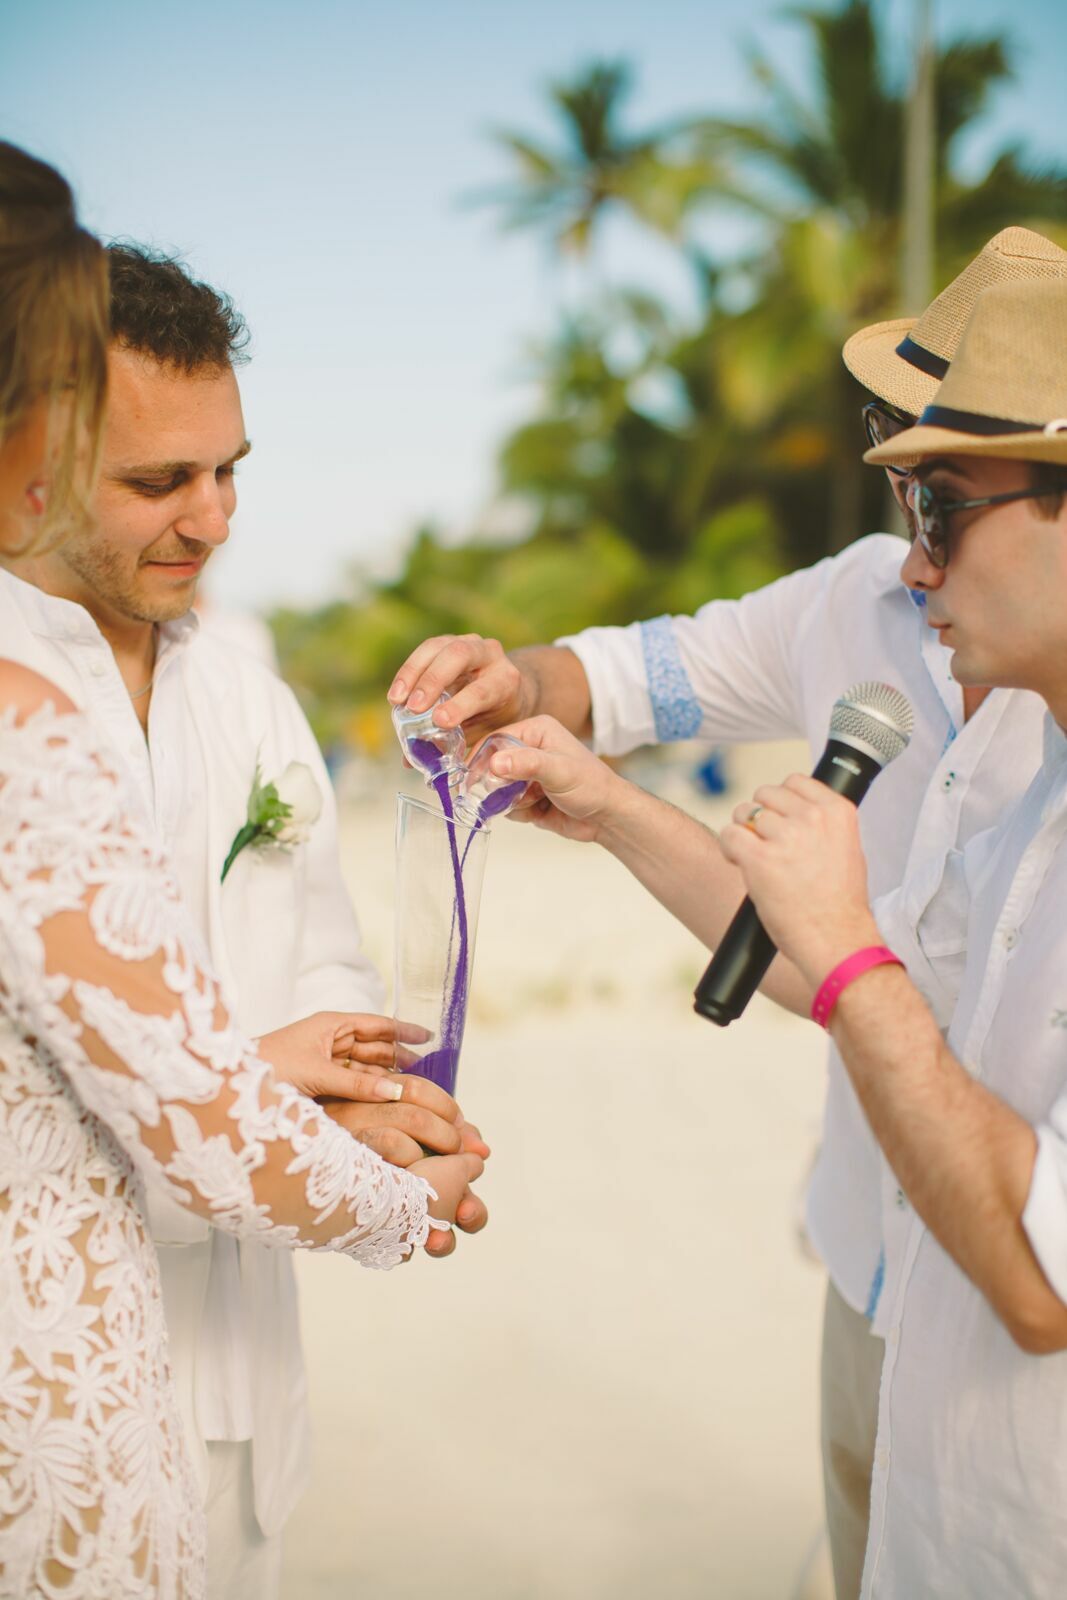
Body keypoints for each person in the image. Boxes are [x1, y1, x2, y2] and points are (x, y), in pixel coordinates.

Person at [387, 226, 1067, 1597]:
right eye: (904, 490)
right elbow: (623, 683)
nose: (915, 559)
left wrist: (847, 945)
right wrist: (572, 759)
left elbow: (1034, 1267)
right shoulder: (901, 656)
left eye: (942, 500)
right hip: (884, 1272)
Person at [0, 142, 483, 1600]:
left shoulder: (253, 695)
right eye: (160, 480)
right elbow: (159, 1096)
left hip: (241, 1370)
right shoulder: (20, 704)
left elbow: (325, 969)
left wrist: (374, 1103)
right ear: (41, 442)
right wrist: (329, 1144)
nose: (212, 517)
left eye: (229, 471)